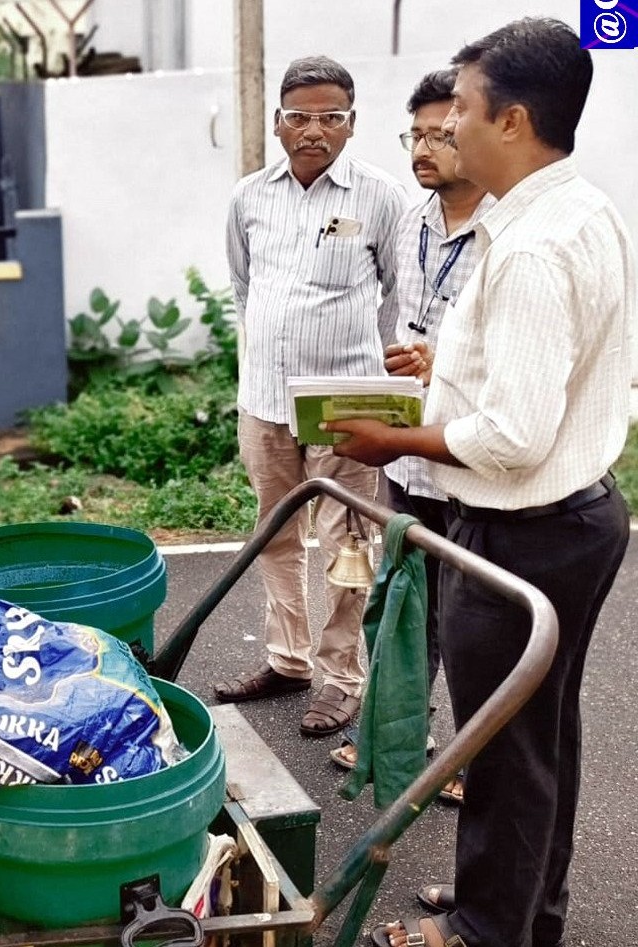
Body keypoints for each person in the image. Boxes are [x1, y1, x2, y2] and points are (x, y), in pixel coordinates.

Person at [323, 19, 633, 947]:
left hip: (526, 527)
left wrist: (394, 439)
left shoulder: (533, 246)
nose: (444, 126)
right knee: (542, 739)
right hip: (573, 521)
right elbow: (546, 372)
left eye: (459, 107)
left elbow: (514, 437)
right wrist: (441, 366)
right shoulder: (574, 208)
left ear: (514, 119)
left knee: (503, 745)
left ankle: (484, 927)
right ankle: (526, 911)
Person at [217, 55, 407, 737]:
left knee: (347, 543)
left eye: (330, 117)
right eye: (299, 117)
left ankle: (341, 678)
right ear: (277, 123)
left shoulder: (379, 196)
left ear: (352, 125)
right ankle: (288, 659)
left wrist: (366, 375)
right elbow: (245, 288)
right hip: (264, 400)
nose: (313, 130)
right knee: (275, 535)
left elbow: (397, 294)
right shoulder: (249, 197)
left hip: (343, 405)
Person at [328, 68, 495, 809]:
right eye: (415, 135)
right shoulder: (417, 219)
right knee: (409, 601)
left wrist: (445, 362)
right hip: (411, 455)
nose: (424, 149)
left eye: (440, 134)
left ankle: (473, 758)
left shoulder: (504, 232)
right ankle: (407, 737)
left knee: (471, 626)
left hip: (467, 459)